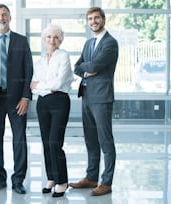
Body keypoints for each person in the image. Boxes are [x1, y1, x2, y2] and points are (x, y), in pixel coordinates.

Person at [0, 4, 33, 194]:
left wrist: (26, 96)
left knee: (19, 139)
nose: (1, 18)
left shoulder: (21, 41)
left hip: (17, 98)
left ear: (10, 17)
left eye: (4, 15)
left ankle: (18, 179)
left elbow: (29, 70)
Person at [69, 7, 118, 196]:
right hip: (87, 96)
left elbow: (96, 65)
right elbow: (77, 66)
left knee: (105, 140)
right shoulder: (89, 43)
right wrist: (86, 69)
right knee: (90, 139)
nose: (93, 22)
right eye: (90, 19)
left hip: (102, 98)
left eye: (96, 18)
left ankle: (106, 182)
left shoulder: (110, 43)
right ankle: (91, 177)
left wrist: (88, 68)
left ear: (103, 19)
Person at [30, 24, 74, 198]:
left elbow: (59, 83)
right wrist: (46, 87)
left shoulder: (64, 56)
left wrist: (42, 86)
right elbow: (32, 86)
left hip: (60, 102)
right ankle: (51, 178)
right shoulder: (40, 61)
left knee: (55, 142)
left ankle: (62, 181)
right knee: (46, 142)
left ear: (60, 39)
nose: (52, 40)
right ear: (44, 39)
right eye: (49, 37)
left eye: (56, 37)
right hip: (43, 103)